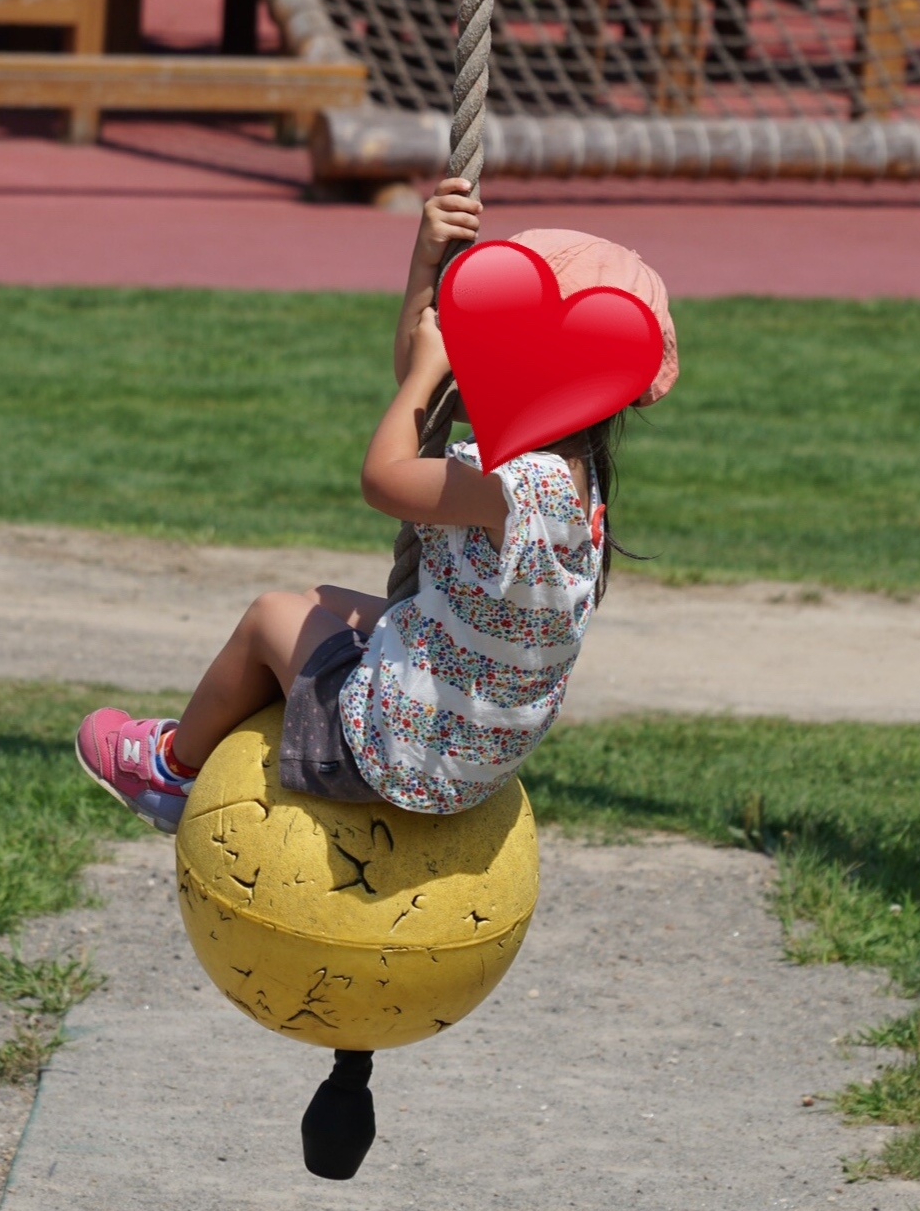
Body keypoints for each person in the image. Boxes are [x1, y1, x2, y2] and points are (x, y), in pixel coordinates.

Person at [75, 177, 678, 833]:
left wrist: (425, 372)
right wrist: (426, 258)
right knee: (322, 599)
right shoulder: (573, 483)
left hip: (399, 758)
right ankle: (234, 731)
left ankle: (171, 771)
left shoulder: (507, 488)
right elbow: (417, 408)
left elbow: (384, 475)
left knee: (269, 615)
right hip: (474, 754)